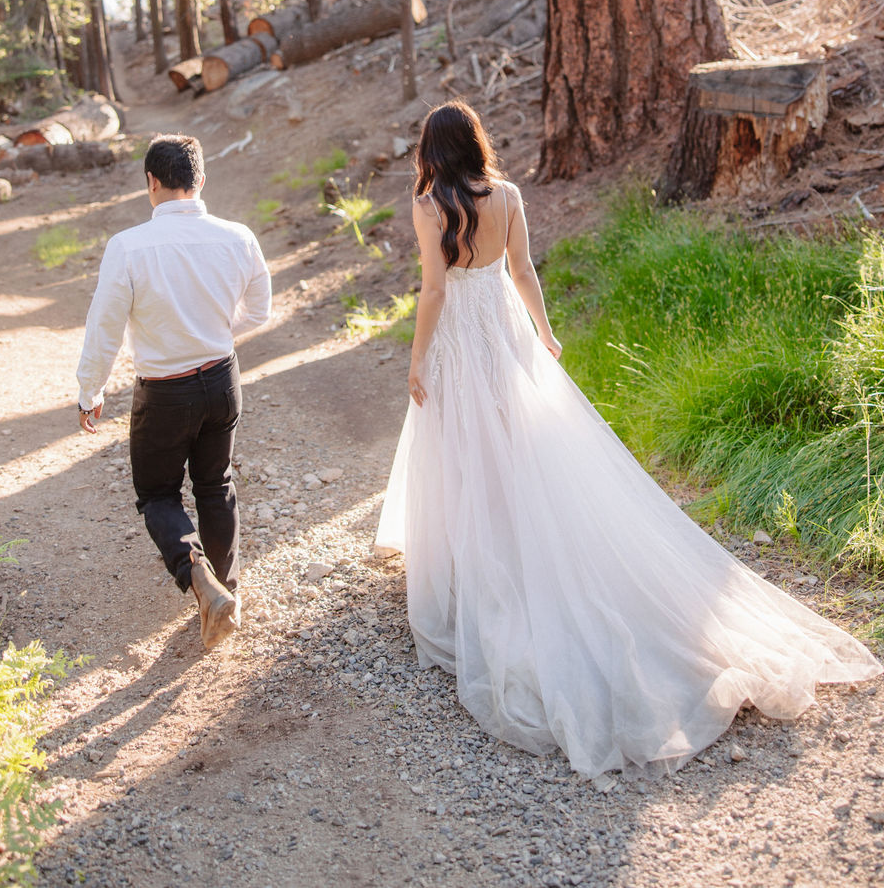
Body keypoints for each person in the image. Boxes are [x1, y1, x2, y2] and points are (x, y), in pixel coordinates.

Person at [376, 100, 880, 780]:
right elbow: (523, 272)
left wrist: (416, 360)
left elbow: (434, 291)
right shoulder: (511, 195)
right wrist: (545, 331)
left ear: (432, 150)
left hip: (463, 344)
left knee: (470, 457)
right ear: (476, 142)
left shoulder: (430, 205)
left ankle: (485, 572)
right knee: (522, 448)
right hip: (505, 336)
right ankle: (522, 551)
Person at [76, 132, 271, 651]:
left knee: (159, 494)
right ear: (201, 181)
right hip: (222, 379)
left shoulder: (129, 246)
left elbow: (105, 326)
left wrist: (89, 389)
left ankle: (200, 581)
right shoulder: (238, 236)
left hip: (164, 391)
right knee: (215, 483)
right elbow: (260, 309)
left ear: (151, 183)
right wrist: (216, 329)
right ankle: (224, 587)